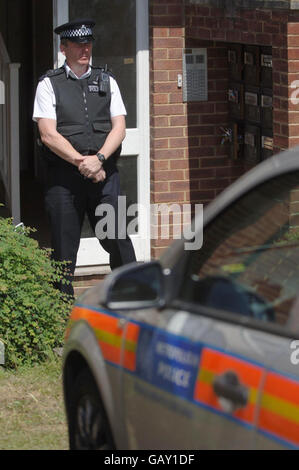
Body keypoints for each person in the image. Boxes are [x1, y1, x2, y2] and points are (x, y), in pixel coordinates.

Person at [33, 19, 136, 296]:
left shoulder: (107, 80)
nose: (85, 49)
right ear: (63, 48)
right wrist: (83, 163)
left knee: (118, 240)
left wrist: (99, 159)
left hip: (104, 176)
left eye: (88, 43)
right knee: (64, 252)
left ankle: (134, 300)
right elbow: (48, 135)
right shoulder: (48, 84)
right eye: (78, 45)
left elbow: (120, 128)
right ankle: (60, 316)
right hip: (64, 180)